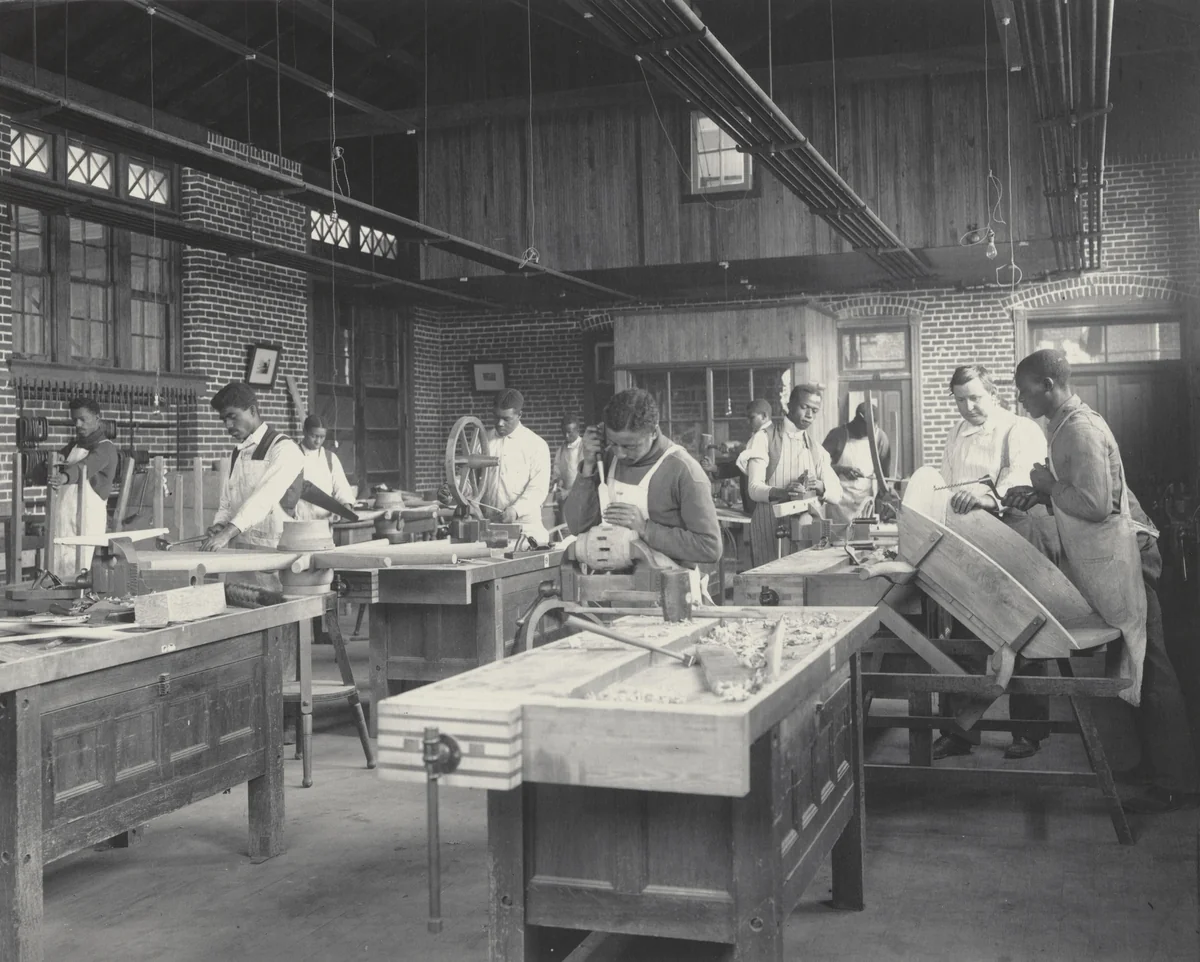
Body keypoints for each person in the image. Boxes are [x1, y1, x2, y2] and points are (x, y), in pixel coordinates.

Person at [1006, 348, 1198, 813]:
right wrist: (1041, 490)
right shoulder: (1064, 425)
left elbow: (1093, 505)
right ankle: (1149, 766)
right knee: (1132, 665)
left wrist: (1050, 487)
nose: (1020, 398)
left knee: (1149, 666)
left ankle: (1181, 781)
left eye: (1024, 388)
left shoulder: (1080, 429)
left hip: (1127, 559)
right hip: (1110, 562)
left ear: (1049, 384)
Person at [929, 364, 1061, 761]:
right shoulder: (956, 433)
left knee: (1024, 632)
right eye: (961, 400)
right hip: (970, 540)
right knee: (966, 631)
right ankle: (960, 732)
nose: (968, 407)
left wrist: (989, 497)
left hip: (1015, 533)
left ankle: (1028, 732)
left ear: (994, 394)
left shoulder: (1018, 429)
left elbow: (1025, 479)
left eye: (976, 398)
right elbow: (946, 480)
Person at [563, 388, 721, 586]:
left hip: (669, 594)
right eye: (613, 443)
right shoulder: (606, 460)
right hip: (610, 589)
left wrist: (645, 528)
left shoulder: (684, 471)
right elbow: (577, 527)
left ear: (653, 432)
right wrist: (587, 466)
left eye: (630, 446)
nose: (619, 454)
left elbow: (710, 548)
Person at [743, 384, 843, 568]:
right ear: (790, 405)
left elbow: (836, 494)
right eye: (804, 407)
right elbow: (754, 489)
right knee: (769, 584)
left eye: (814, 410)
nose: (809, 415)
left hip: (803, 531)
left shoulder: (815, 449)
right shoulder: (764, 438)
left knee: (799, 586)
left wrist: (820, 485)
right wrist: (783, 492)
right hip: (768, 526)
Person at [203, 382, 305, 554]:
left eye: (232, 417)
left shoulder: (284, 449)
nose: (227, 426)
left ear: (252, 410)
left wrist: (227, 532)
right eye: (224, 419)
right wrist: (220, 524)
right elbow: (227, 503)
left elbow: (264, 498)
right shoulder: (238, 453)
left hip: (277, 552)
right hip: (240, 552)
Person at [48, 397, 120, 578]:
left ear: (97, 418)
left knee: (82, 573)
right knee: (59, 570)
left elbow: (86, 466)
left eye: (83, 419)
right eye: (74, 420)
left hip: (88, 521)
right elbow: (56, 460)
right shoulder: (73, 446)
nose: (78, 424)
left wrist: (64, 476)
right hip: (65, 518)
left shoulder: (106, 449)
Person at [479, 388, 551, 544]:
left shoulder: (536, 445)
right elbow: (471, 480)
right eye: (496, 417)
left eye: (506, 419)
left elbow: (538, 489)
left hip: (525, 529)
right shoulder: (483, 442)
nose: (500, 423)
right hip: (488, 528)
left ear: (519, 415)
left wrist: (516, 510)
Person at [822, 401, 892, 525]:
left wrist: (882, 501)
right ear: (857, 421)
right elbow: (820, 468)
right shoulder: (837, 435)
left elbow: (884, 478)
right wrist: (841, 470)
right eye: (867, 430)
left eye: (874, 428)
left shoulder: (880, 438)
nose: (871, 433)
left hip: (865, 506)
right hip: (839, 505)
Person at [701, 399, 774, 516]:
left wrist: (736, 445)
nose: (748, 422)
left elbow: (756, 456)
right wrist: (715, 468)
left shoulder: (768, 435)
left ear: (764, 416)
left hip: (763, 509)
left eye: (752, 418)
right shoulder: (760, 436)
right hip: (755, 509)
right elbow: (747, 464)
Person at [293, 414, 356, 523]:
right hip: (299, 521)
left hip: (325, 523)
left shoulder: (330, 458)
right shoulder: (293, 456)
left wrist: (346, 506)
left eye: (322, 437)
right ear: (304, 432)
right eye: (314, 436)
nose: (318, 441)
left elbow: (342, 488)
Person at [551, 415, 583, 505]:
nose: (566, 436)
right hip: (566, 501)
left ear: (578, 430)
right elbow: (557, 473)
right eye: (564, 432)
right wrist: (558, 481)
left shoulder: (585, 448)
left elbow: (588, 480)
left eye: (570, 432)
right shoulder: (560, 450)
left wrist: (568, 492)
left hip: (584, 499)